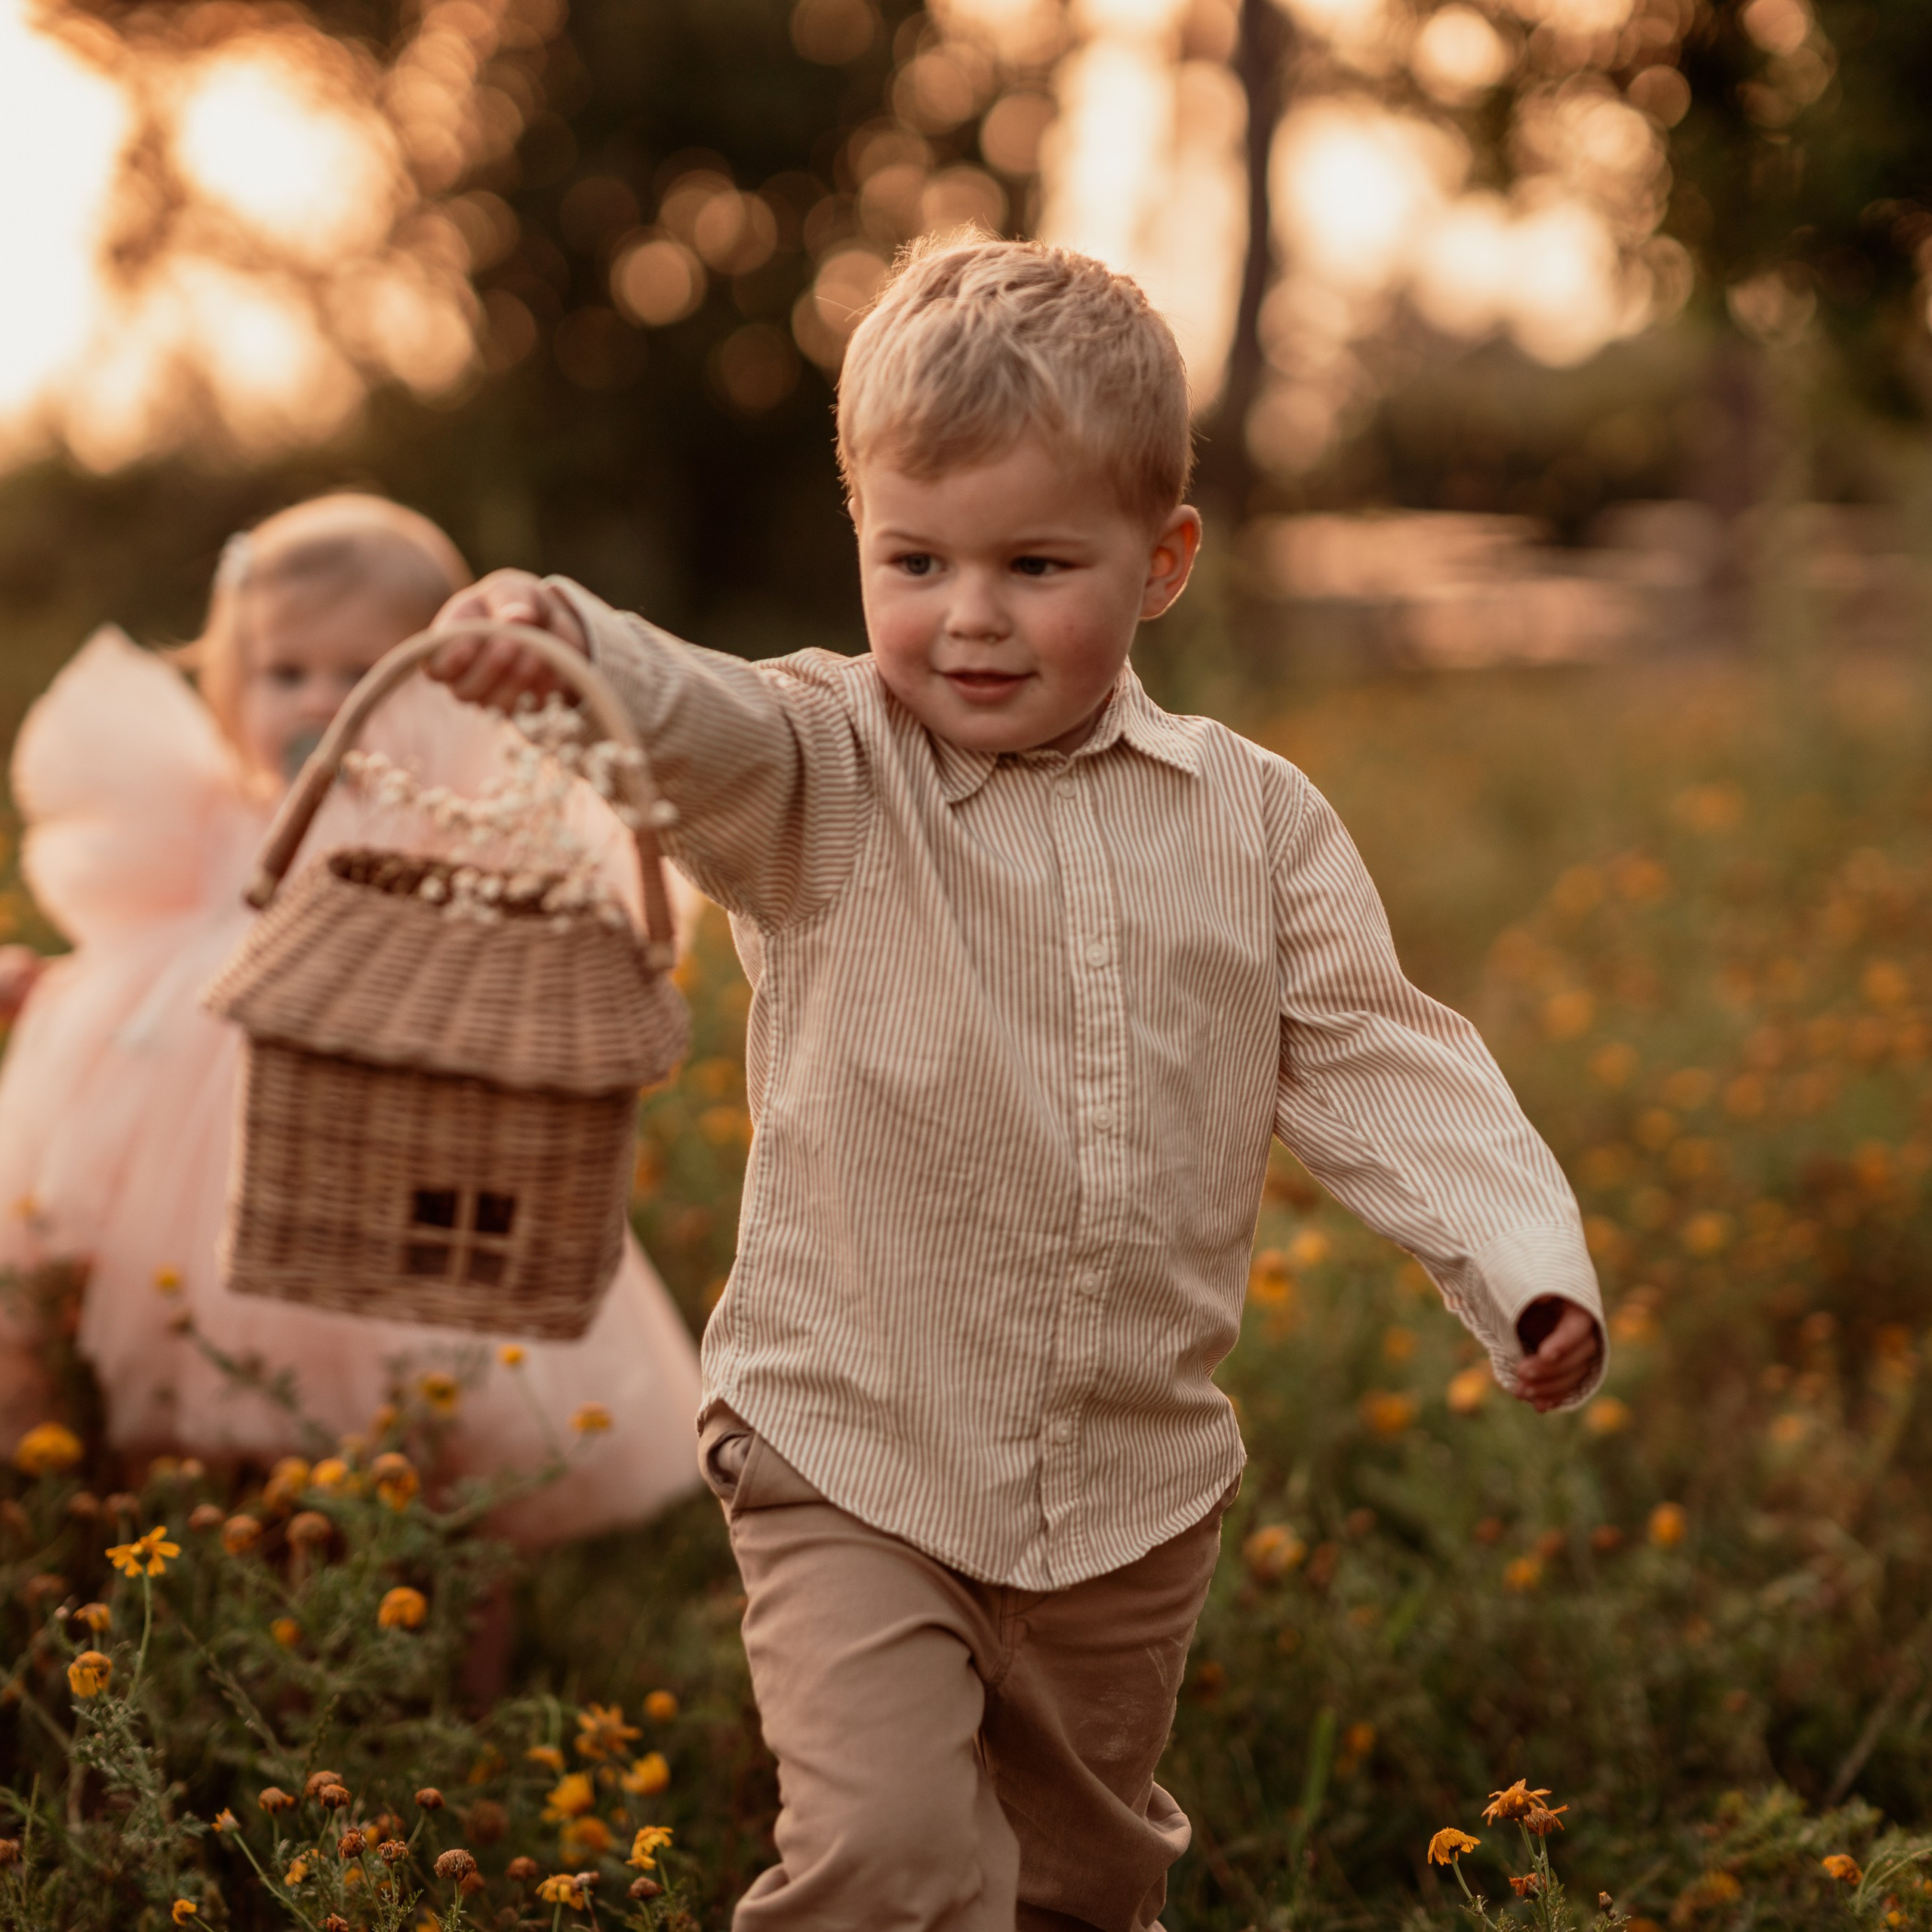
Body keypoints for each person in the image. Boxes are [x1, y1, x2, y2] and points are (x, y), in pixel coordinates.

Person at [426, 238, 1607, 1927]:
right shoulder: (825, 766)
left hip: (1127, 1492)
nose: (966, 615)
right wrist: (571, 648)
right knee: (889, 1856)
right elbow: (695, 722)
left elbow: (1376, 1051)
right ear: (859, 543)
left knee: (1076, 1883)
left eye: (1035, 560)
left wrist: (1522, 1260)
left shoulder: (1250, 820)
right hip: (850, 1451)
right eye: (913, 558)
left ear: (1161, 558)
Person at [0, 493, 702, 1546]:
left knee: (437, 1402)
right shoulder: (213, 818)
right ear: (235, 681)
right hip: (193, 1174)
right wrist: (50, 988)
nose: (321, 703)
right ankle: (202, 1576)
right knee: (184, 1394)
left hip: (381, 1155)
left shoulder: (441, 815)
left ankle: (452, 1626)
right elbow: (142, 966)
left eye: (358, 672)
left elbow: (546, 904)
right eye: (287, 674)